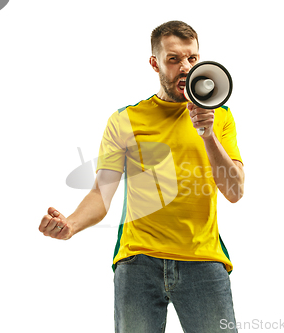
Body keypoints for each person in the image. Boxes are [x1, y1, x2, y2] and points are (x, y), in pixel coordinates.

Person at [39, 20, 244, 333]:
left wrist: (207, 134)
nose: (185, 67)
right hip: (138, 263)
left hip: (203, 259)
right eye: (173, 59)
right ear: (155, 63)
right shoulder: (125, 120)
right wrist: (71, 225)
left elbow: (235, 190)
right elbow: (100, 193)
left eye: (192, 58)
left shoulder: (221, 117)